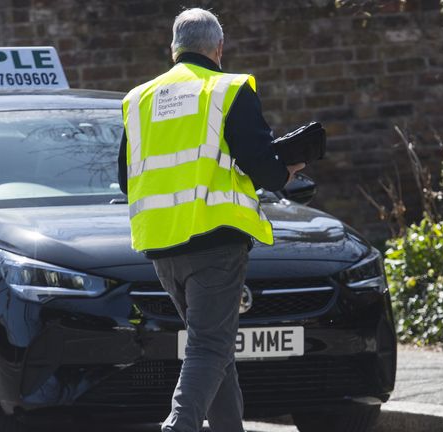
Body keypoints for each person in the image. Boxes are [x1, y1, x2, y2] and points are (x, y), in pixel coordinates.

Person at [117, 8, 305, 432]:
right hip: (216, 244)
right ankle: (179, 425)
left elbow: (125, 179)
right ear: (219, 48)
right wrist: (286, 171)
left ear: (173, 50)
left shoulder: (138, 100)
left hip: (162, 248)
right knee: (209, 344)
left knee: (213, 347)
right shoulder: (228, 89)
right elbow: (263, 167)